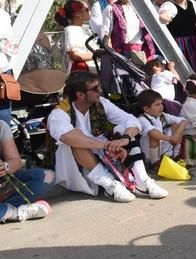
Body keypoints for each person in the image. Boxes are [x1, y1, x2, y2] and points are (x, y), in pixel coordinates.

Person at [47, 71, 168, 202]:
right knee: (77, 141)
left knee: (123, 130)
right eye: (95, 89)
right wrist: (107, 145)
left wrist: (125, 139)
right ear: (80, 95)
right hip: (74, 166)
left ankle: (142, 181)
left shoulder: (102, 103)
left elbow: (132, 120)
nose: (100, 91)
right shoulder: (59, 113)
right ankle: (109, 185)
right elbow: (67, 137)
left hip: (102, 153)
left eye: (99, 86)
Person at [0, 120, 53, 223]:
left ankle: (6, 209)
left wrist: (5, 167)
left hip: (5, 187)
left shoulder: (1, 126)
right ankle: (16, 212)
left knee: (48, 176)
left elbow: (16, 162)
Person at [101, 0, 157, 65]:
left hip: (142, 52)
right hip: (122, 53)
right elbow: (105, 34)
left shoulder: (140, 8)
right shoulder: (110, 9)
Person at [137, 89, 186, 166]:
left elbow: (183, 121)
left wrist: (176, 136)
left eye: (161, 104)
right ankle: (154, 162)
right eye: (157, 105)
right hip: (148, 153)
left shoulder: (162, 115)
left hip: (162, 149)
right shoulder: (142, 119)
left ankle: (175, 156)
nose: (161, 107)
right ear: (146, 109)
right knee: (154, 134)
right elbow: (153, 133)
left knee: (177, 125)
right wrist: (170, 138)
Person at [55, 0, 96, 73]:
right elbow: (74, 55)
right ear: (78, 14)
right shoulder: (71, 31)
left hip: (89, 72)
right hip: (82, 75)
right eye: (86, 10)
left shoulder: (82, 28)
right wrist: (97, 55)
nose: (89, 11)